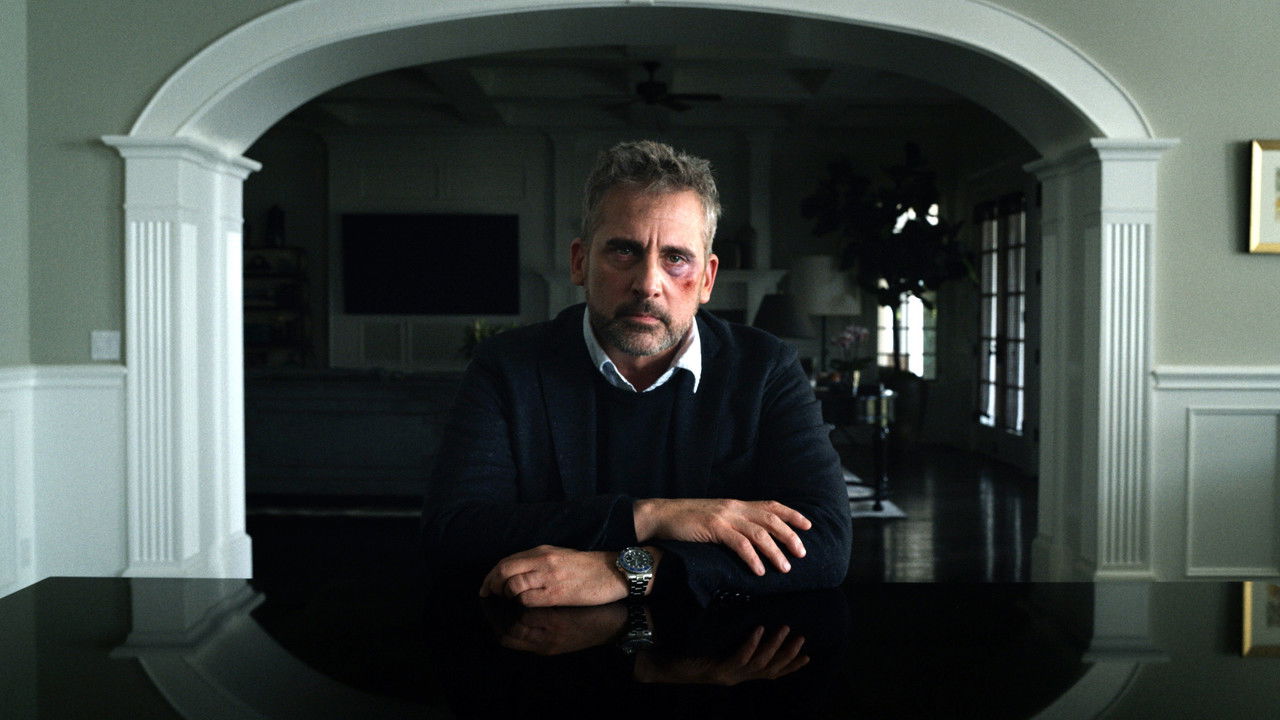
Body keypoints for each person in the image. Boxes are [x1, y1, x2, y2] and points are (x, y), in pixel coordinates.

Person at [422, 140, 850, 607]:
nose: (648, 284)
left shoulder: (766, 368)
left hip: (718, 646)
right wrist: (650, 516)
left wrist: (629, 570)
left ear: (707, 279)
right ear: (580, 262)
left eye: (676, 258)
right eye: (624, 251)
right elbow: (453, 532)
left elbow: (825, 545)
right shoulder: (506, 366)